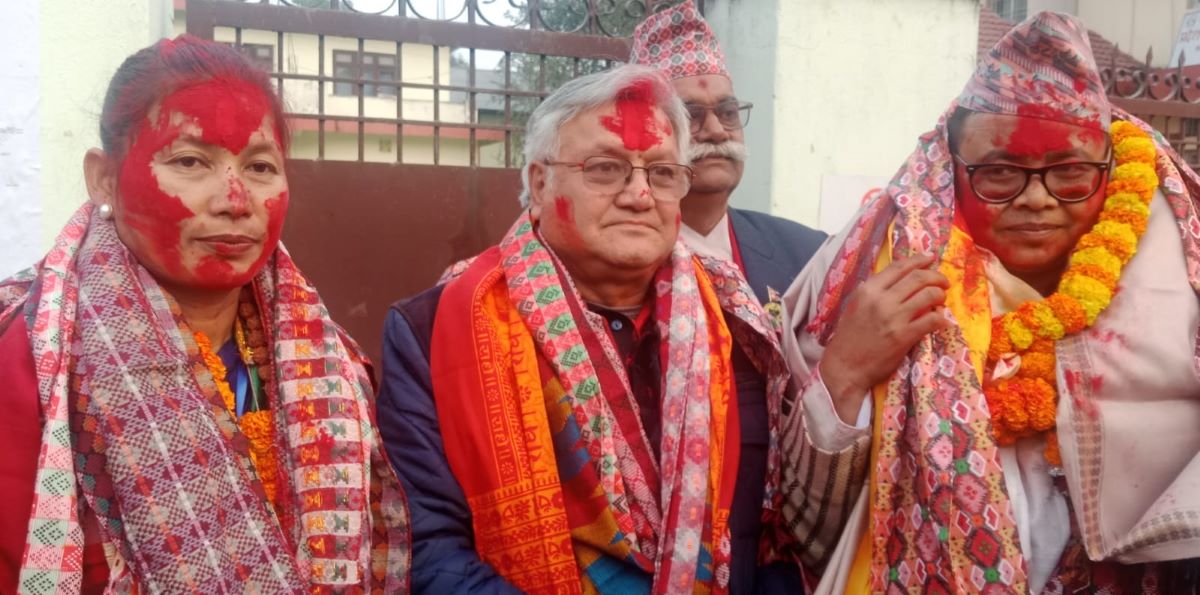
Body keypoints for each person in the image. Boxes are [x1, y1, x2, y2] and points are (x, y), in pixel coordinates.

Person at [780, 11, 1200, 594]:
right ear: (950, 171)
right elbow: (801, 529)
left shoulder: (1180, 293)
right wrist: (845, 373)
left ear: (1111, 172)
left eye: (1070, 171)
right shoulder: (871, 289)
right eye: (1000, 173)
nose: (1037, 200)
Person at [0, 35, 410, 593]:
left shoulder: (329, 362)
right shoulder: (28, 360)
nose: (235, 200)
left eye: (260, 166)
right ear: (103, 178)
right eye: (191, 161)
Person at [376, 64, 798, 593]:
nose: (640, 195)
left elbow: (773, 531)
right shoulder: (435, 329)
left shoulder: (736, 323)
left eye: (662, 173)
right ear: (539, 182)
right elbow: (428, 549)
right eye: (605, 168)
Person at [630, 0, 826, 306]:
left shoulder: (808, 254)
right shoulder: (614, 262)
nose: (717, 131)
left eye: (728, 112)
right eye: (690, 115)